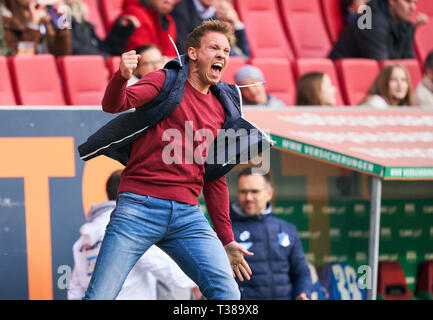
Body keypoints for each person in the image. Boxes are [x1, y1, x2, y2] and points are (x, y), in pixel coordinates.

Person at [78, 20, 273, 300]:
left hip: (187, 215)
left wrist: (227, 239)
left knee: (228, 294)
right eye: (214, 48)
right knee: (100, 296)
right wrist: (121, 76)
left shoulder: (222, 105)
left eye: (227, 51)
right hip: (138, 207)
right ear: (192, 53)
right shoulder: (164, 80)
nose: (222, 55)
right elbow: (114, 105)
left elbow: (214, 176)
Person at [68, 170, 198, 300]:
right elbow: (167, 270)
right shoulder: (132, 228)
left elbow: (75, 291)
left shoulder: (83, 240)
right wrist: (199, 279)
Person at [230, 167, 313, 300]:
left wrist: (302, 293)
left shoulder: (287, 230)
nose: (248, 197)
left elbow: (301, 271)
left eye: (254, 191)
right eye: (243, 191)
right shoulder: (226, 232)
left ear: (269, 193)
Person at [329, 0, 427, 61]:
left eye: (415, 3)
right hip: (345, 79)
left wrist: (411, 31)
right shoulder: (372, 20)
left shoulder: (405, 24)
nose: (413, 8)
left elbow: (408, 61)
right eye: (408, 1)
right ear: (392, 1)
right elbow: (384, 66)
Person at [172, 0, 250, 58]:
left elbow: (245, 53)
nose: (223, 6)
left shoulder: (215, 14)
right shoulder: (182, 9)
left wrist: (236, 23)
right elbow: (183, 48)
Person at [65, 0, 139, 57]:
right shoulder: (62, 17)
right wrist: (105, 58)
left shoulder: (84, 23)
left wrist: (122, 29)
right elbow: (75, 49)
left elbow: (106, 48)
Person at [1, 0, 71, 56]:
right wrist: (32, 26)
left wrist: (61, 28)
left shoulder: (43, 16)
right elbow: (17, 58)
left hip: (46, 69)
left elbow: (61, 55)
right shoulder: (5, 20)